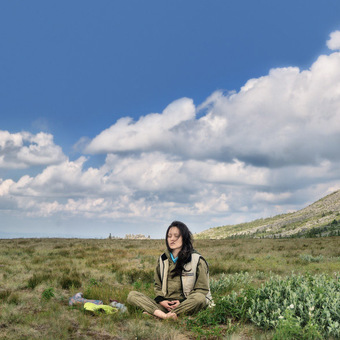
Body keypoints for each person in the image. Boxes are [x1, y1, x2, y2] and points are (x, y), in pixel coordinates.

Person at [127, 221, 213, 320]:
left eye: (176, 236)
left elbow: (202, 290)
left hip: (186, 304)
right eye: (169, 236)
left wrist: (182, 302)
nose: (172, 239)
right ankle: (166, 316)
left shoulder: (197, 260)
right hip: (166, 305)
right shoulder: (162, 259)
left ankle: (158, 315)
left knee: (199, 298)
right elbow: (157, 286)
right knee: (132, 296)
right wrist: (161, 300)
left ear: (184, 238)